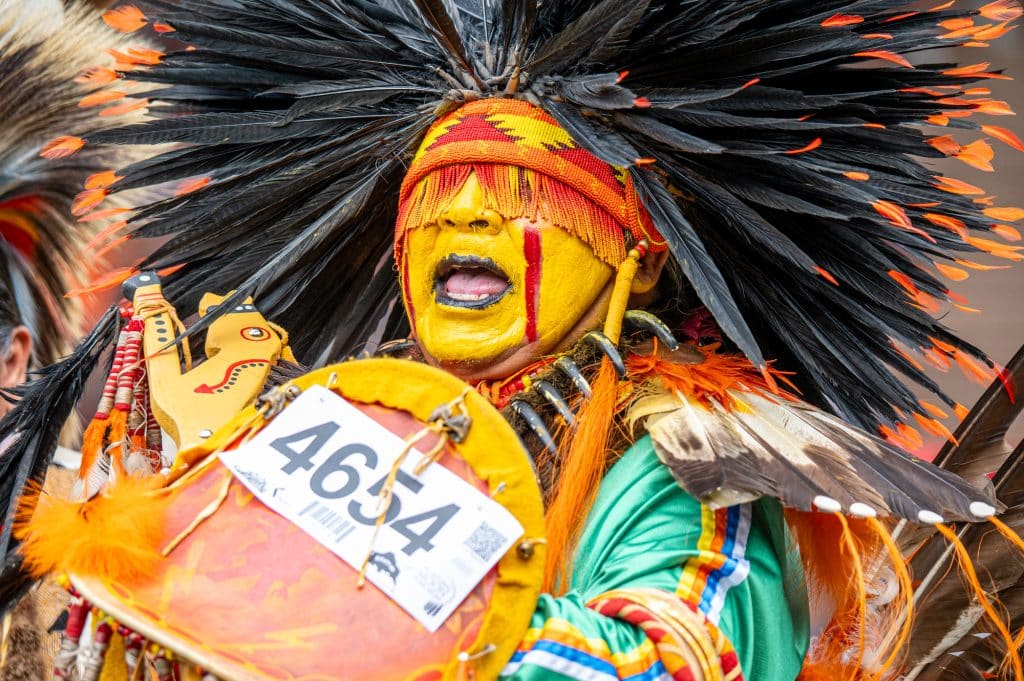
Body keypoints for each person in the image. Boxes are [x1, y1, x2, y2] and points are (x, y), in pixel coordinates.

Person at [3, 1, 1024, 680]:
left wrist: (382, 623)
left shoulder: (688, 457)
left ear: (638, 260)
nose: (465, 217)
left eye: (519, 191)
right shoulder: (347, 419)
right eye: (438, 195)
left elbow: (678, 654)